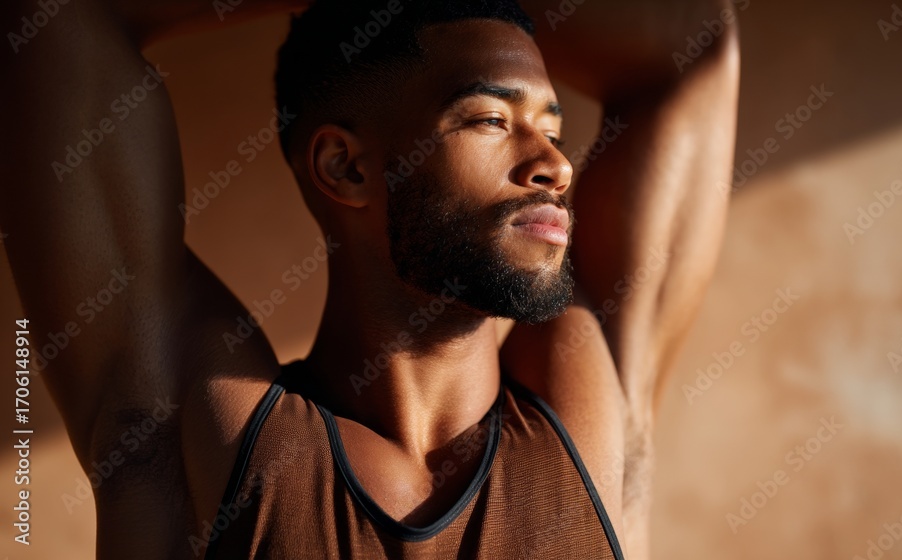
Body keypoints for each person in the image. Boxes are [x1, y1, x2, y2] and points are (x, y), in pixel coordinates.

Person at [0, 0, 739, 557]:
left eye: (552, 128)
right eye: (488, 119)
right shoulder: (196, 426)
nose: (554, 164)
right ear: (345, 167)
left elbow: (695, 43)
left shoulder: (588, 413)